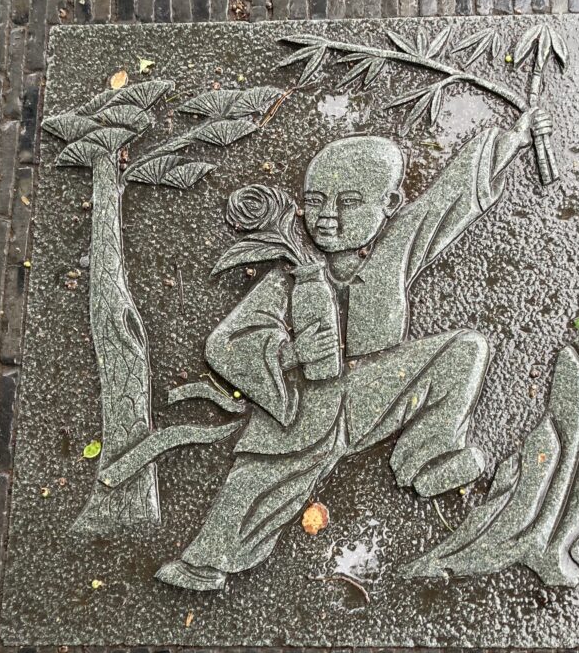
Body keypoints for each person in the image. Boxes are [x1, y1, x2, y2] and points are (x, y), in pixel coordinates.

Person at [156, 107, 553, 590]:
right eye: (315, 201)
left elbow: (447, 200)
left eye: (348, 202)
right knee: (260, 483)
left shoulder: (393, 251)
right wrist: (291, 354)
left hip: (374, 391)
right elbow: (226, 343)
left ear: (390, 203)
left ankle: (429, 456)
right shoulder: (290, 275)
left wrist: (513, 139)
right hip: (306, 408)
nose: (327, 217)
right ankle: (203, 565)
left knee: (464, 351)